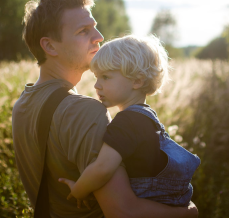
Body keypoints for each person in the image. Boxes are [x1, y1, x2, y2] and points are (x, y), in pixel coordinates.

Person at [12, 0, 198, 218]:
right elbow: (123, 211)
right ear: (50, 47)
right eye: (83, 31)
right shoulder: (84, 111)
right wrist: (189, 213)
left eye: (95, 26)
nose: (99, 36)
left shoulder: (23, 103)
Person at [59, 35, 201, 208]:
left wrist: (78, 190)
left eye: (106, 77)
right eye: (97, 77)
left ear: (137, 81)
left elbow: (102, 168)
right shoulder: (147, 117)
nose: (97, 85)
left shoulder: (127, 122)